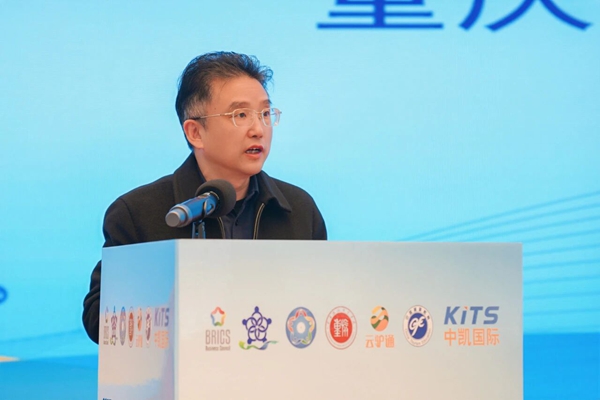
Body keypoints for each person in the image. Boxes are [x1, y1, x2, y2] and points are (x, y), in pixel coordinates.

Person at [82, 52, 327, 343]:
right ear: (195, 132)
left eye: (264, 114)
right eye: (240, 115)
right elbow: (99, 320)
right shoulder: (138, 214)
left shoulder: (298, 210)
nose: (258, 130)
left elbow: (322, 306)